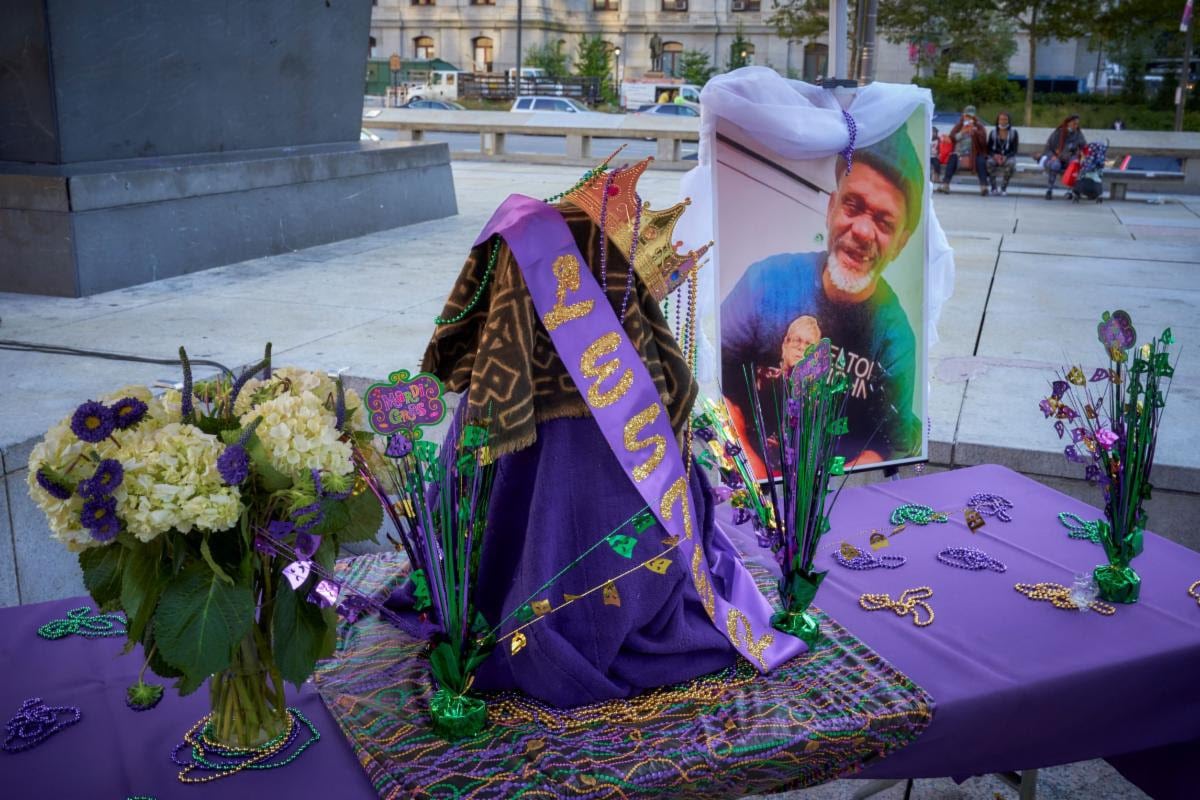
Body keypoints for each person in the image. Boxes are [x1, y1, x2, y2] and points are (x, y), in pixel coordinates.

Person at [721, 125, 924, 474]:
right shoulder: (765, 283)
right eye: (852, 206)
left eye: (884, 221)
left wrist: (828, 497)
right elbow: (714, 377)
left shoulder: (895, 339)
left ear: (901, 244)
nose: (861, 231)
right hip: (748, 479)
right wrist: (752, 472)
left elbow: (890, 441)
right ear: (831, 209)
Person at [937, 105, 988, 196]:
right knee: (952, 159)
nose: (968, 118)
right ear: (963, 115)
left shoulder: (978, 126)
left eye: (971, 116)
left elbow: (983, 141)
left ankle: (984, 187)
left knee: (981, 161)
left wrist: (974, 132)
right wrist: (962, 132)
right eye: (967, 116)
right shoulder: (959, 125)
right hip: (959, 153)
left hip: (974, 153)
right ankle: (945, 185)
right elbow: (952, 139)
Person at [1040, 114, 1086, 200]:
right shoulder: (1058, 133)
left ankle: (1073, 191)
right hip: (1057, 157)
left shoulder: (1078, 134)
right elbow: (1048, 148)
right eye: (1074, 124)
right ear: (1068, 123)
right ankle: (1049, 190)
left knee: (1076, 164)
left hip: (1070, 157)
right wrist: (1052, 156)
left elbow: (1084, 147)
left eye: (1077, 124)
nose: (1076, 126)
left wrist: (1082, 153)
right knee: (1055, 165)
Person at [986, 111, 1019, 195]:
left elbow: (1014, 150)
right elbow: (988, 148)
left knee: (1011, 163)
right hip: (995, 156)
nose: (1003, 121)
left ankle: (1003, 188)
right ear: (998, 120)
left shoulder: (1013, 133)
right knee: (989, 162)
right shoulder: (993, 133)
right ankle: (994, 188)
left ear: (1008, 121)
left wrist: (1006, 157)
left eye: (1005, 119)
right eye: (1001, 119)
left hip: (1008, 156)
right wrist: (994, 156)